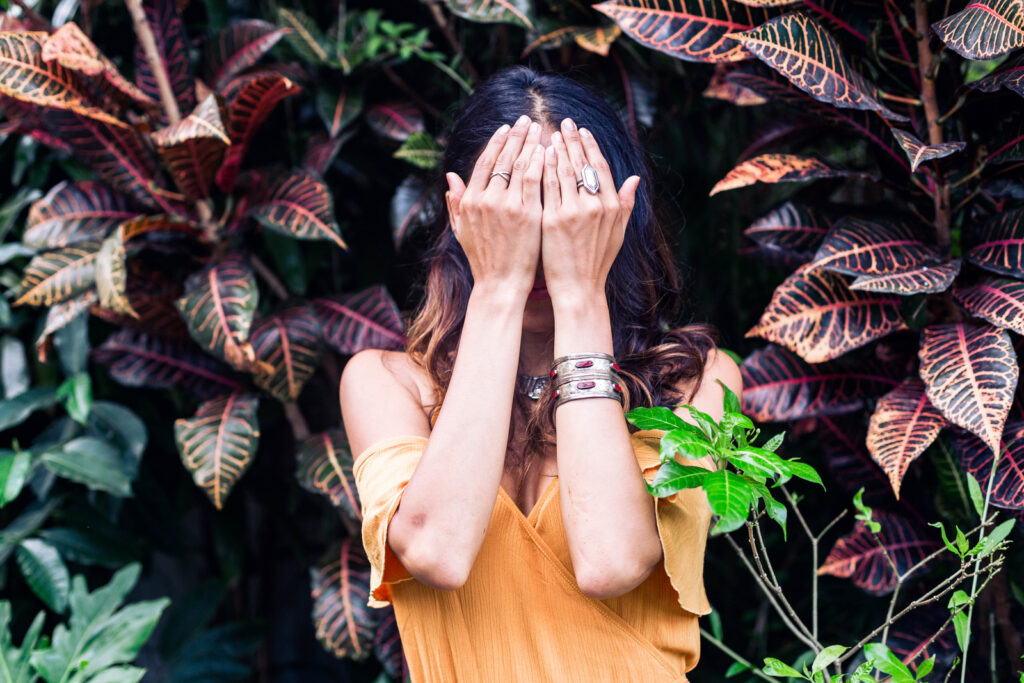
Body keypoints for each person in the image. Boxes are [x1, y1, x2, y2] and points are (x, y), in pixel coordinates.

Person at [340, 65, 741, 682]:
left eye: (567, 211)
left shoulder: (696, 381)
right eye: (513, 210)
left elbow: (610, 561)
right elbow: (436, 551)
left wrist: (581, 293)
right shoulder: (387, 384)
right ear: (464, 216)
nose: (538, 237)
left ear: (615, 217)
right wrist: (498, 286)